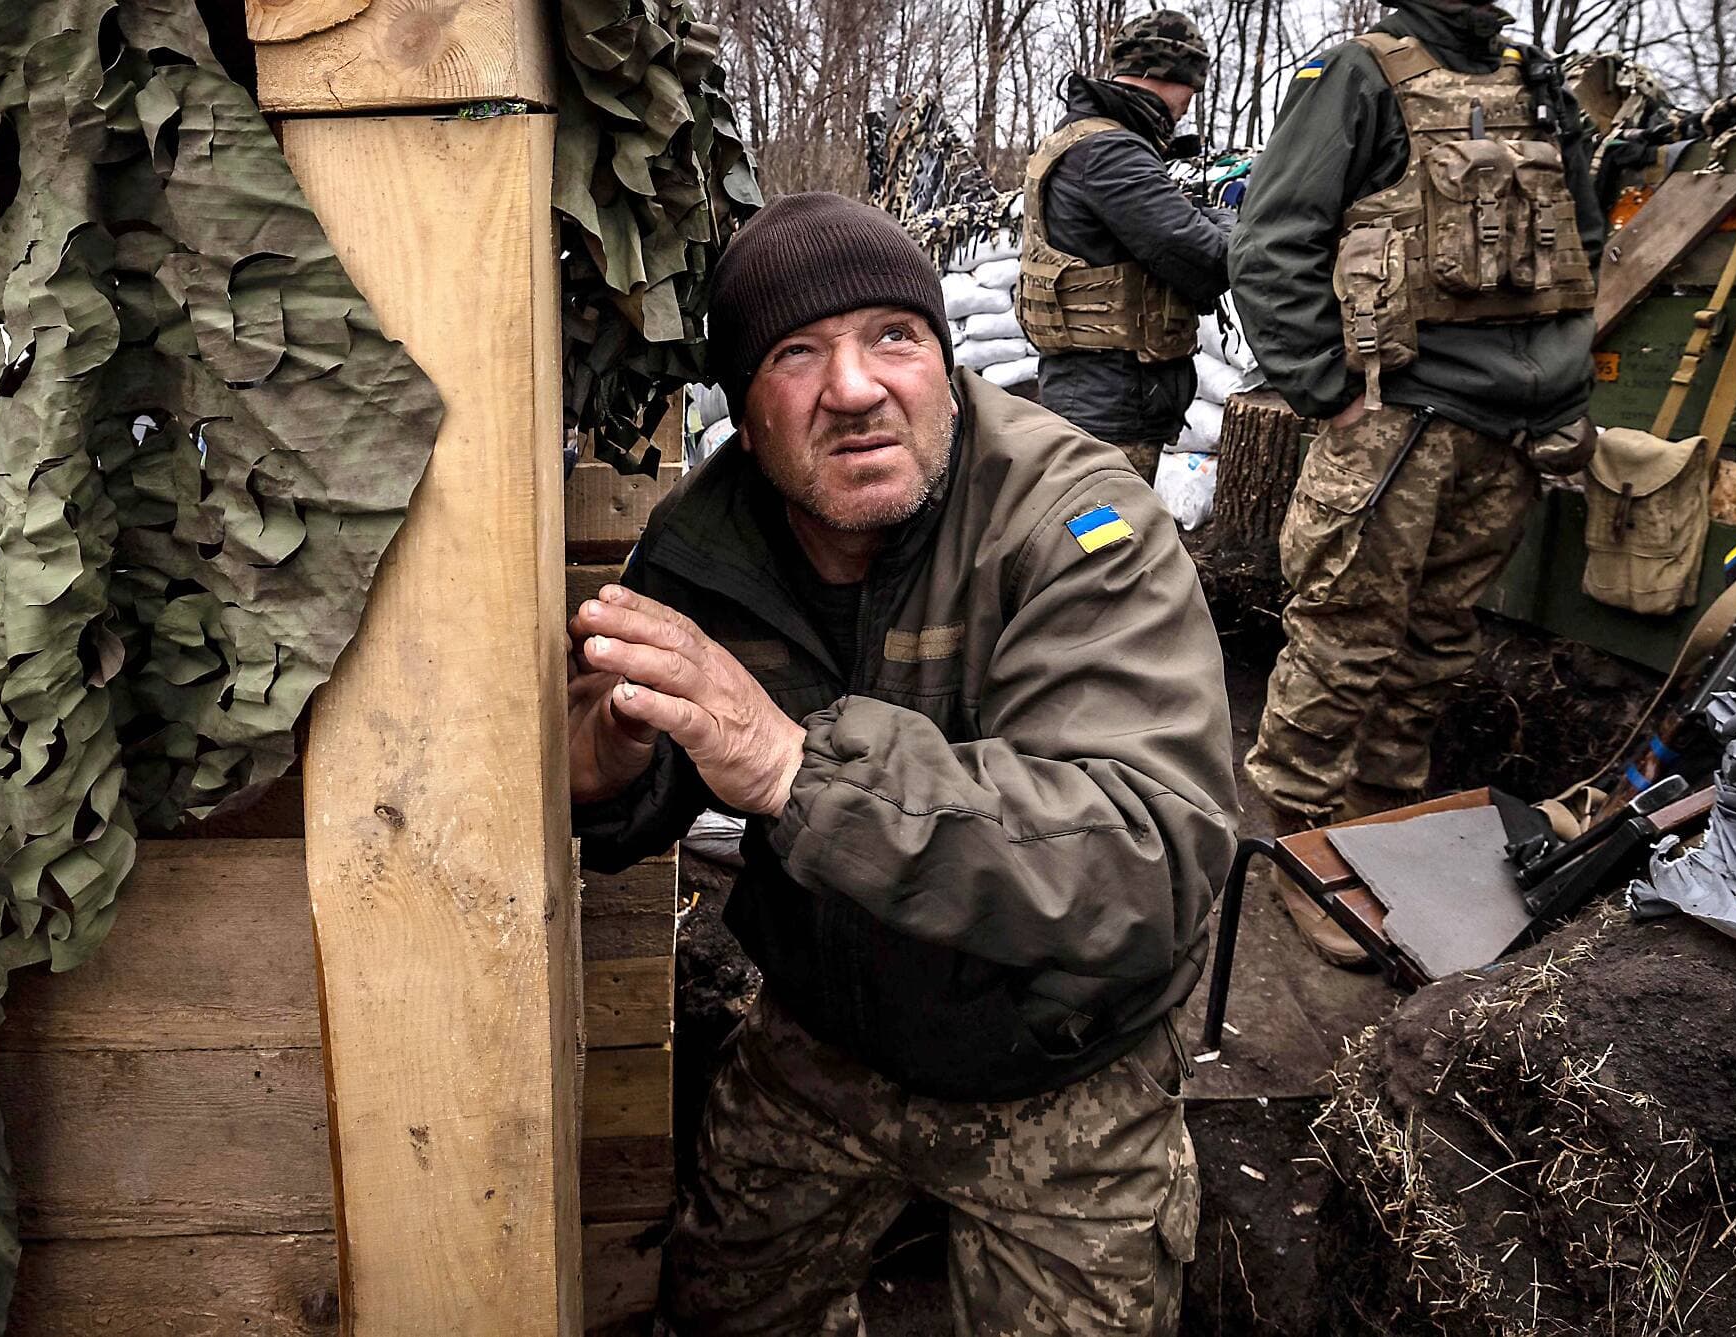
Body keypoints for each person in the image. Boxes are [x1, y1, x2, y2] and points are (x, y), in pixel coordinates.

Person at [568, 191, 1238, 1336]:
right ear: (743, 405)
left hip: (1060, 1064)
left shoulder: (1075, 526)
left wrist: (795, 765)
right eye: (795, 353)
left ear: (939, 353)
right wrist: (607, 762)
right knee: (718, 1306)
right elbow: (641, 789)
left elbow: (1147, 859)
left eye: (893, 334)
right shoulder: (711, 540)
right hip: (826, 1039)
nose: (854, 387)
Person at [1228, 0, 1603, 965]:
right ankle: (1302, 844)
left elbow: (1582, 242)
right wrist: (1328, 391)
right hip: (1396, 422)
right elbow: (1271, 242)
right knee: (1345, 637)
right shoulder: (1362, 74)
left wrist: (1558, 386)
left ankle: (1385, 822)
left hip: (1510, 429)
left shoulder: (1534, 78)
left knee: (1438, 643)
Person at [1020, 10, 1234, 483]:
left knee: (1093, 535)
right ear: (1167, 75)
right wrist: (1237, 225)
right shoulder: (1112, 152)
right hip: (1111, 400)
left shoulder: (1084, 138)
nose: (1188, 105)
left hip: (1100, 390)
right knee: (1106, 540)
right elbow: (1205, 259)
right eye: (1191, 88)